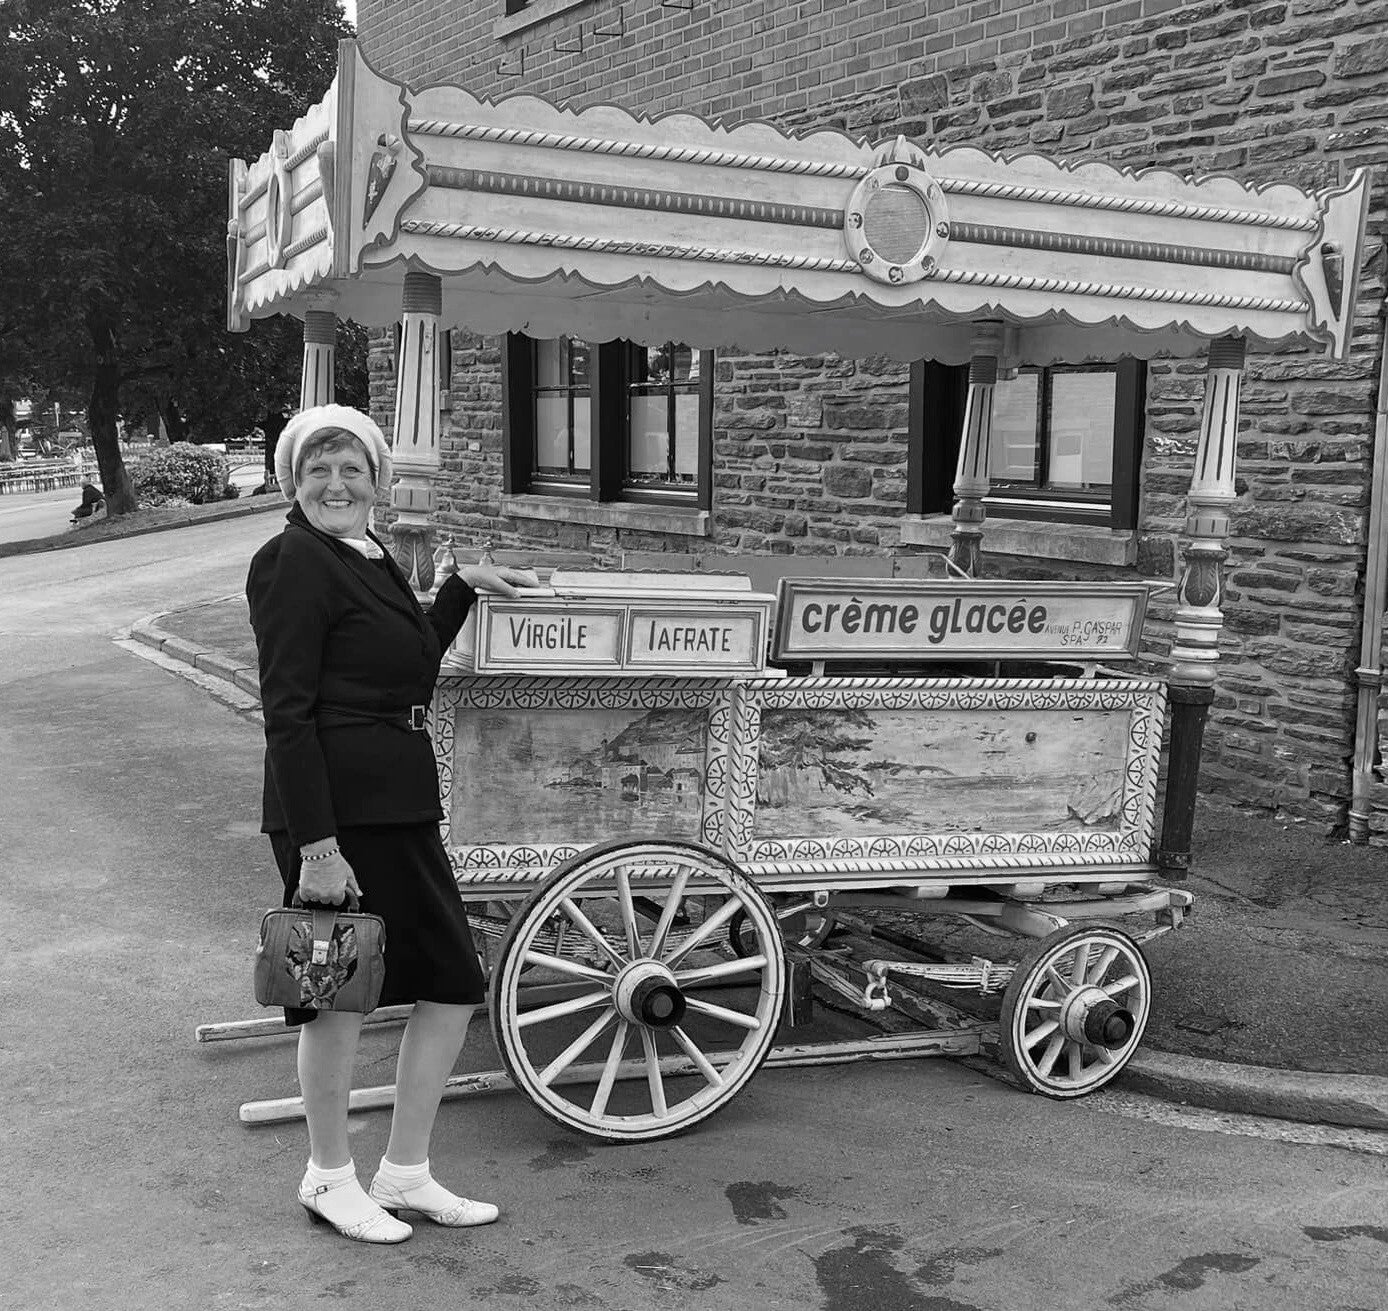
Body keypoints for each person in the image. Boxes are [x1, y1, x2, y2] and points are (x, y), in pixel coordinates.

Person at [246, 403, 537, 1245]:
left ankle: (405, 1171)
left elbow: (410, 667)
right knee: (336, 1001)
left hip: (399, 804)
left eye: (352, 469)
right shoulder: (292, 560)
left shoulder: (367, 555)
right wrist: (318, 848)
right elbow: (287, 714)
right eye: (318, 469)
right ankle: (328, 1175)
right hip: (334, 818)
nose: (336, 484)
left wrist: (461, 588)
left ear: (376, 481)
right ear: (293, 483)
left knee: (451, 981)